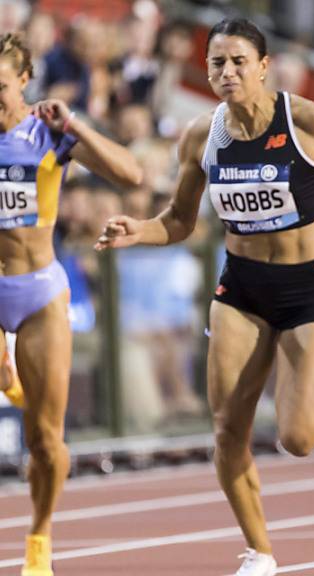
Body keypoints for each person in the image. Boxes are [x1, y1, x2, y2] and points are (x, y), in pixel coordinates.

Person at [95, 19, 314, 576]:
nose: (227, 72)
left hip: (309, 287)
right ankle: (260, 552)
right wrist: (140, 230)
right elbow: (181, 220)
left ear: (264, 65)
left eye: (238, 61)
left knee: (299, 437)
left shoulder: (309, 121)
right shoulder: (200, 137)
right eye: (216, 63)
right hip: (242, 288)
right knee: (227, 428)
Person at [0, 33, 143, 576]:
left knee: (45, 440)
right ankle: (8, 373)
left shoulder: (48, 133)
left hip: (38, 291)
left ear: (23, 83)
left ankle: (39, 540)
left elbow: (131, 175)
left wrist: (76, 124)